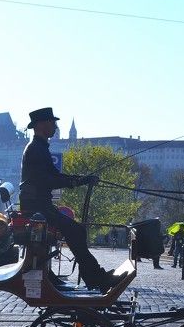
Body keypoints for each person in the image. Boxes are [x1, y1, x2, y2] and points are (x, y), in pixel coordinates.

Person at [19, 107, 115, 292]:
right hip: (37, 208)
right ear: (41, 125)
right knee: (76, 230)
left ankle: (89, 276)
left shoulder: (39, 148)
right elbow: (47, 180)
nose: (55, 126)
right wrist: (76, 181)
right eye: (52, 123)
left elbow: (55, 175)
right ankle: (95, 277)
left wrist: (80, 179)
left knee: (76, 230)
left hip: (40, 205)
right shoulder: (35, 149)